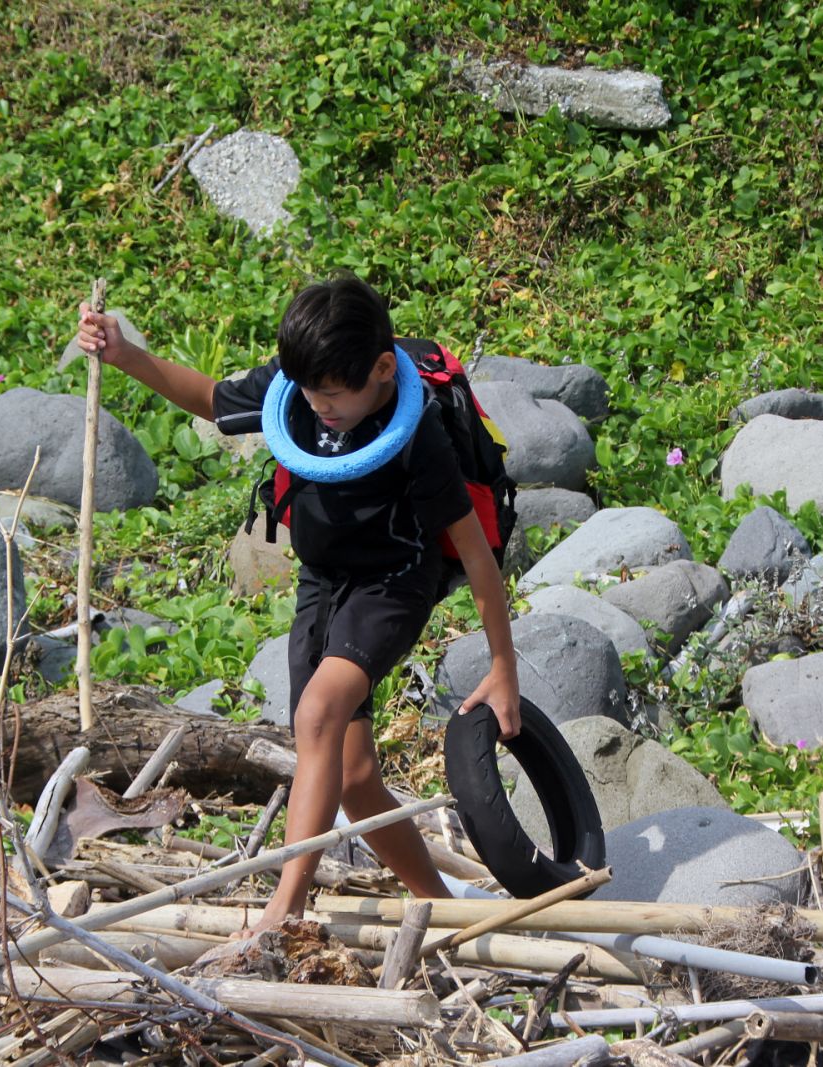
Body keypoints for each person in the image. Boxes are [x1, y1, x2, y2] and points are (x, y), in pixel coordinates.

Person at [74, 273, 520, 932]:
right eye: (308, 393)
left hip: (394, 581)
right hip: (322, 581)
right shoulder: (299, 390)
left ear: (380, 373)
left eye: (334, 396)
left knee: (316, 714)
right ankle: (444, 906)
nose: (319, 408)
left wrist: (503, 669)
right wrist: (126, 354)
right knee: (354, 773)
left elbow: (476, 554)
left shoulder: (418, 430)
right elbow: (207, 396)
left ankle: (285, 908)